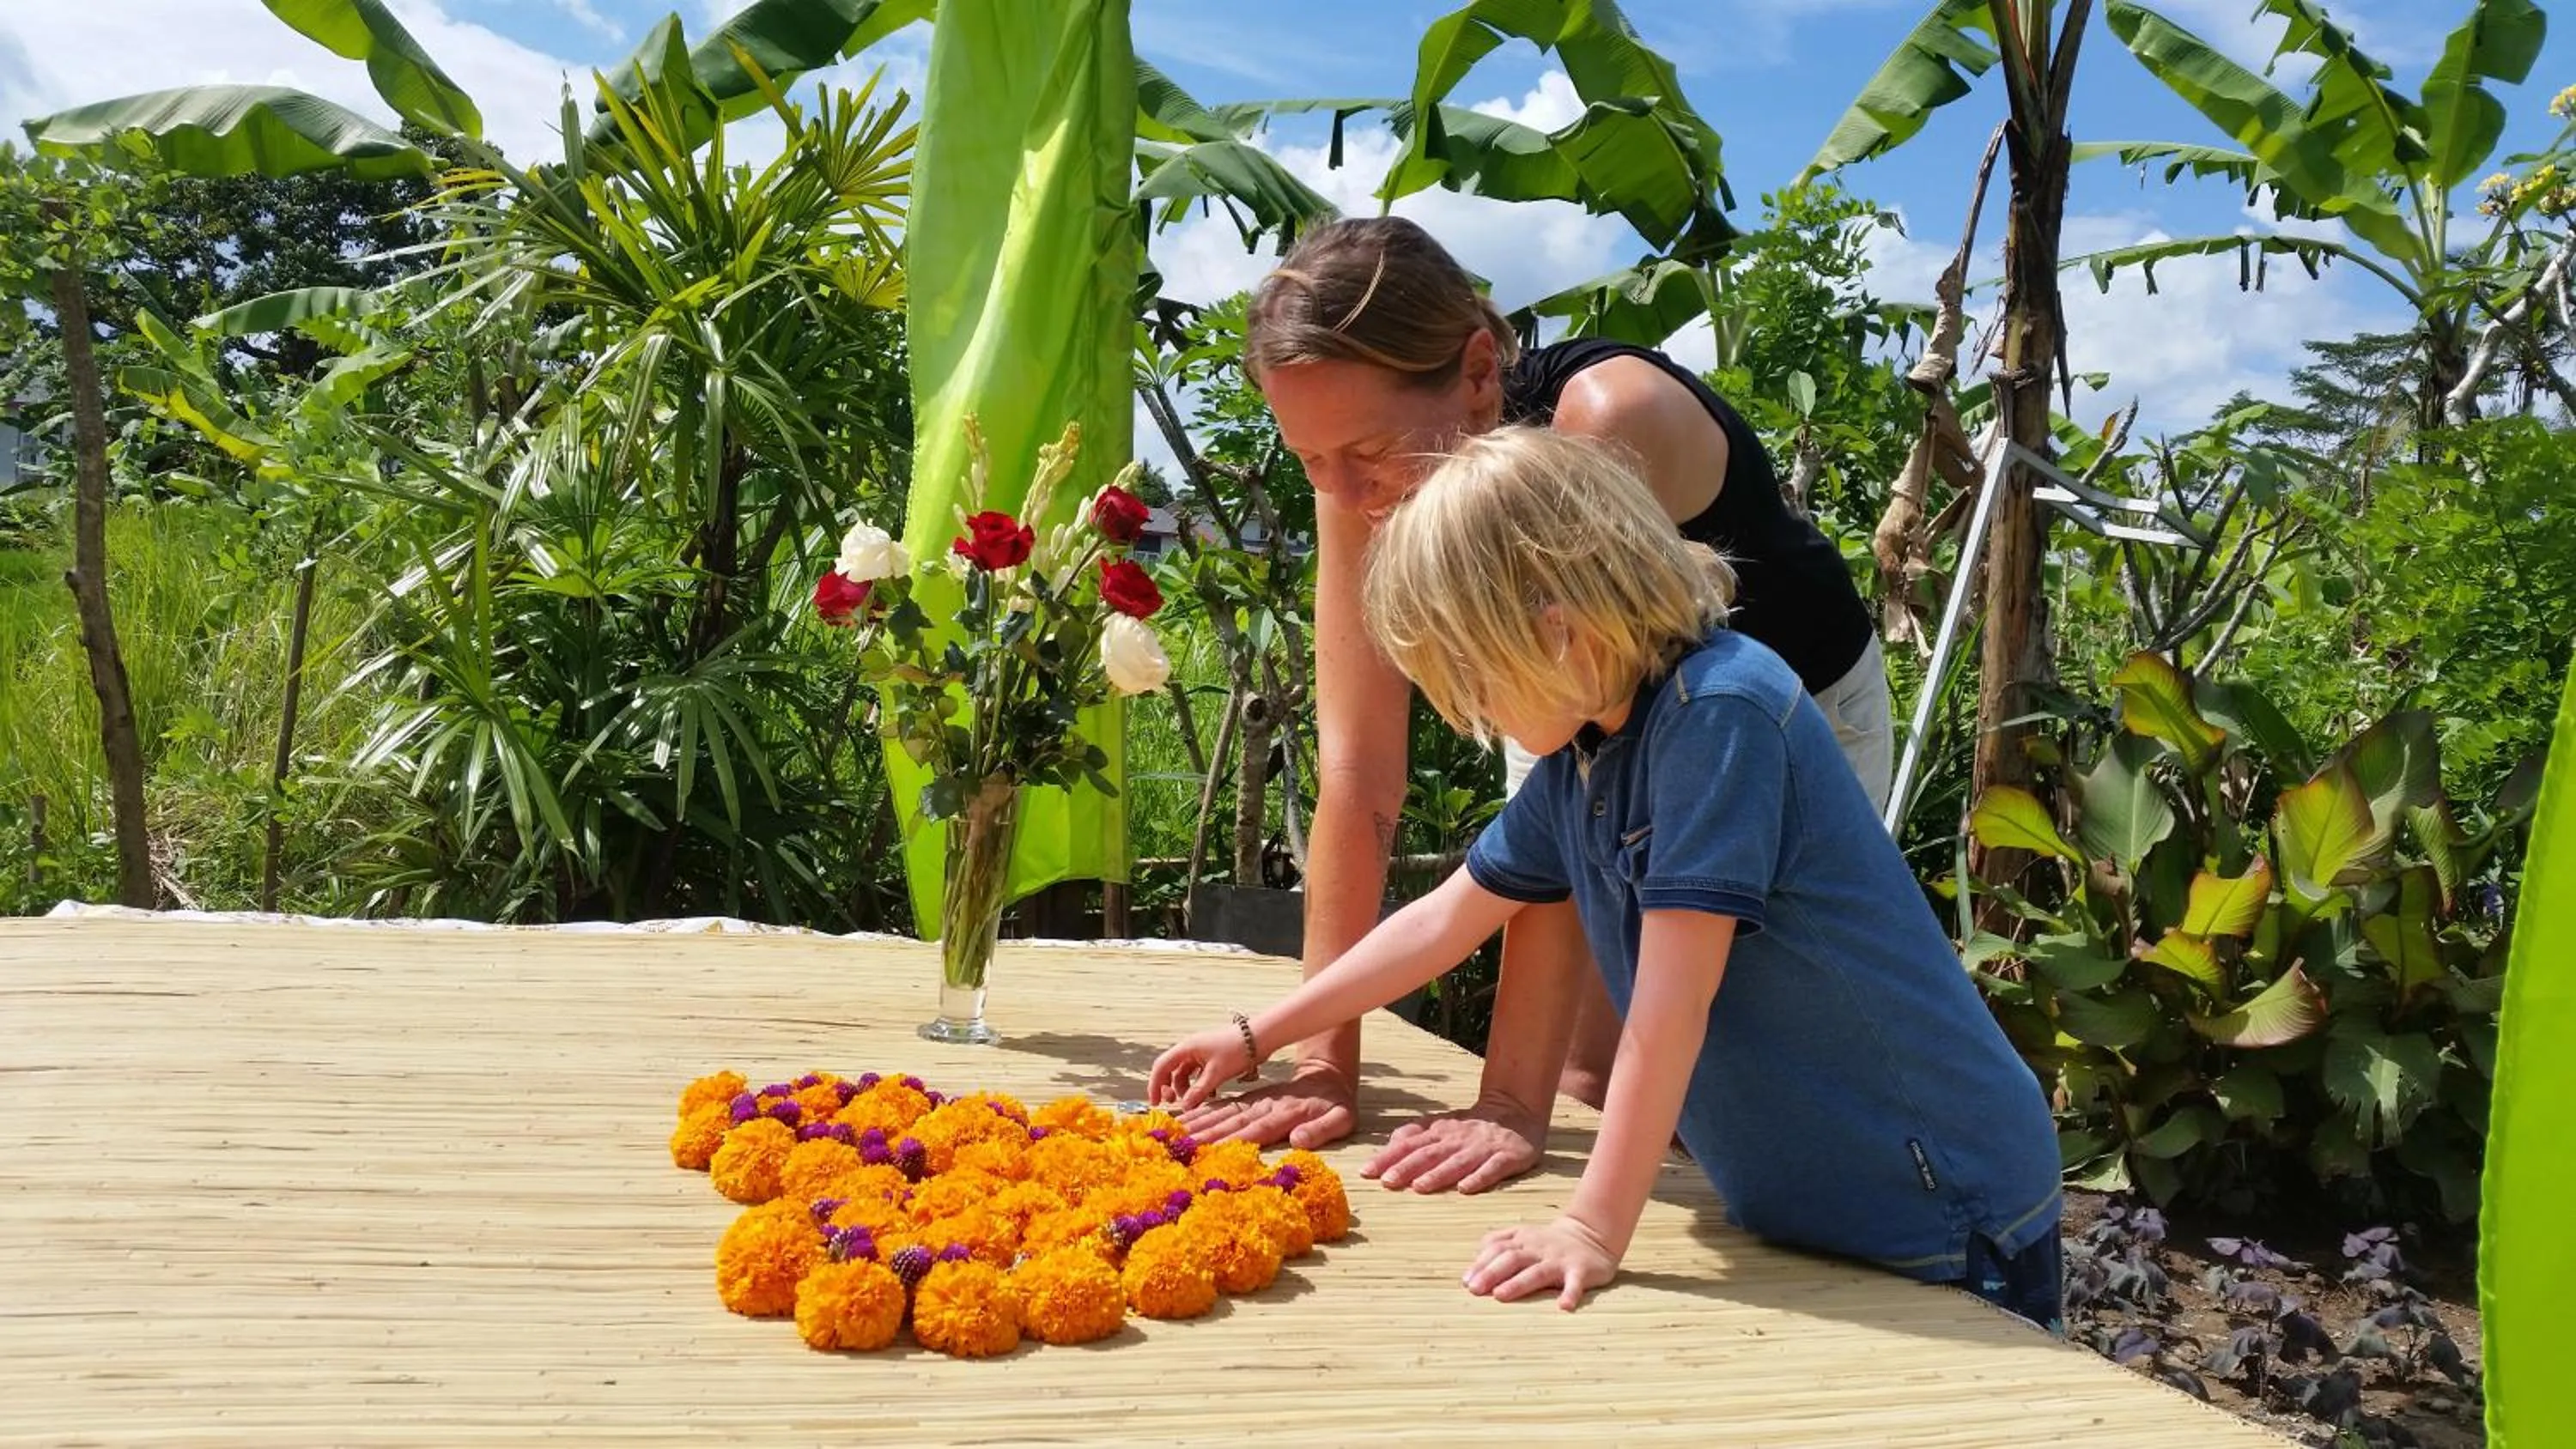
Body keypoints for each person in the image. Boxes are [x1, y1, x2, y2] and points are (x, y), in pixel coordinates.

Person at [1149, 427, 2062, 1326]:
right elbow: (1443, 919)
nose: (1470, 714)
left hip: (1942, 1207)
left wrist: (1590, 1222)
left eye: (1470, 677)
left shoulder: (1720, 717)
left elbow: (1669, 1005)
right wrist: (1256, 1032)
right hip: (1819, 1216)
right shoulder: (1589, 751)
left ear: (1559, 634)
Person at [1177, 216, 1892, 1191]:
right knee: (1580, 1089)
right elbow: (1359, 771)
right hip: (1581, 709)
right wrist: (1321, 1065)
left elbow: (1589, 768)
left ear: (1479, 372)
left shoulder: (1603, 424)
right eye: (1310, 460)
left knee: (1715, 1080)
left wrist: (1510, 1101)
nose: (1343, 495)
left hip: (1782, 712)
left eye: (1367, 451)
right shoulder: (1356, 471)